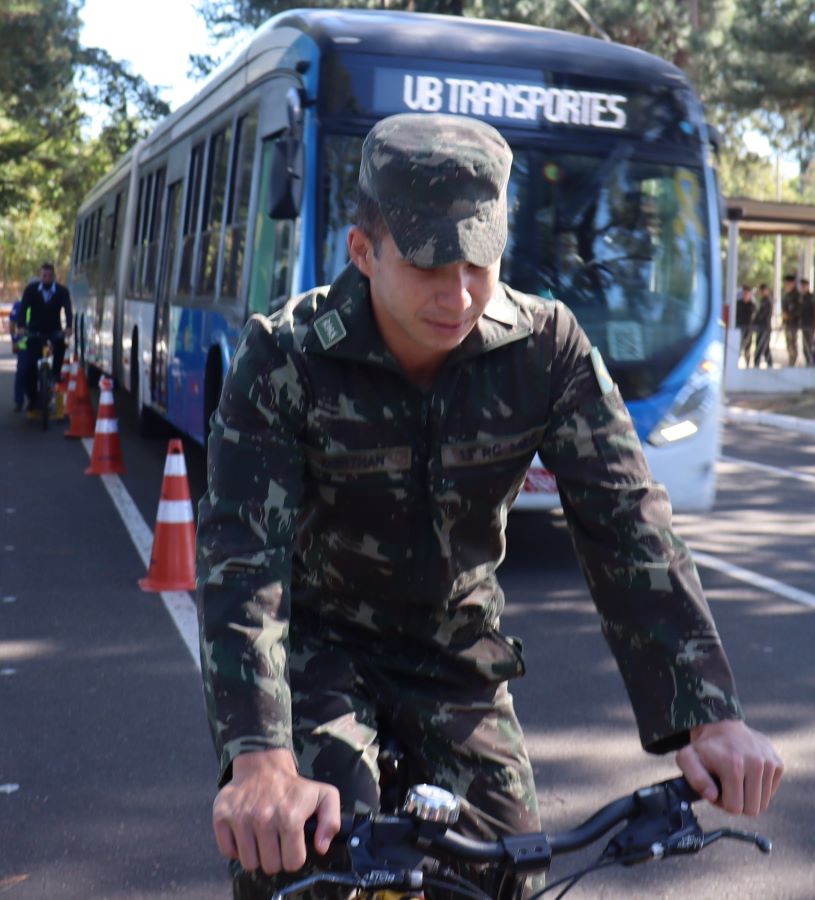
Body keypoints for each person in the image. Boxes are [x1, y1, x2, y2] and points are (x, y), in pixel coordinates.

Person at [197, 113, 784, 900]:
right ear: (363, 252)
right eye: (432, 265)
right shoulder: (283, 357)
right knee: (311, 858)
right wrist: (260, 758)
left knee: (512, 870)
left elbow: (629, 527)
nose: (462, 293)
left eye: (481, 260)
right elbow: (243, 561)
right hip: (320, 652)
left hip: (458, 660)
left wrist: (712, 717)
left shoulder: (548, 348)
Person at [20, 263, 72, 416]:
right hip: (35, 331)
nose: (47, 279)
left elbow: (68, 309)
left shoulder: (62, 291)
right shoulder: (31, 290)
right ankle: (32, 399)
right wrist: (21, 326)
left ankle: (55, 373)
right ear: (39, 276)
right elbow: (23, 309)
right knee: (29, 367)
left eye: (49, 276)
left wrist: (68, 327)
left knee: (60, 346)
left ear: (54, 276)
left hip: (54, 329)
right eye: (44, 276)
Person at [9, 296, 28, 413]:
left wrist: (14, 340)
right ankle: (19, 401)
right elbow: (12, 324)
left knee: (23, 371)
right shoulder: (20, 304)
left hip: (38, 340)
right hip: (24, 343)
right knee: (22, 371)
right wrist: (15, 341)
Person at [797, 278, 815, 367]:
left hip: (810, 325)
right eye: (801, 286)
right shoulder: (801, 298)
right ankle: (808, 363)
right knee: (804, 346)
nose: (802, 288)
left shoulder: (812, 298)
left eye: (804, 286)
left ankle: (811, 363)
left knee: (810, 345)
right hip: (803, 325)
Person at [780, 274, 801, 366]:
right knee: (789, 345)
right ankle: (791, 361)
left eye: (788, 283)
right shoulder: (787, 296)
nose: (786, 285)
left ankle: (793, 362)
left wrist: (789, 316)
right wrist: (784, 321)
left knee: (793, 344)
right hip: (788, 324)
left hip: (794, 324)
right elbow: (784, 310)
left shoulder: (798, 296)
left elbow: (799, 310)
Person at [752, 282, 774, 368]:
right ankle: (758, 363)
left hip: (765, 327)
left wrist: (756, 321)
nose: (762, 292)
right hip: (761, 327)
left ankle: (768, 364)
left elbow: (763, 315)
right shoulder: (763, 301)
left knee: (764, 346)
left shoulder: (768, 301)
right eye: (761, 291)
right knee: (760, 346)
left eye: (764, 290)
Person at [735, 283, 755, 367]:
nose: (745, 295)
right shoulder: (738, 304)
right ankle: (735, 365)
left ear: (750, 295)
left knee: (747, 349)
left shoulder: (752, 306)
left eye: (747, 293)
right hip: (738, 330)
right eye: (744, 293)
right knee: (737, 349)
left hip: (748, 331)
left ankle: (748, 365)